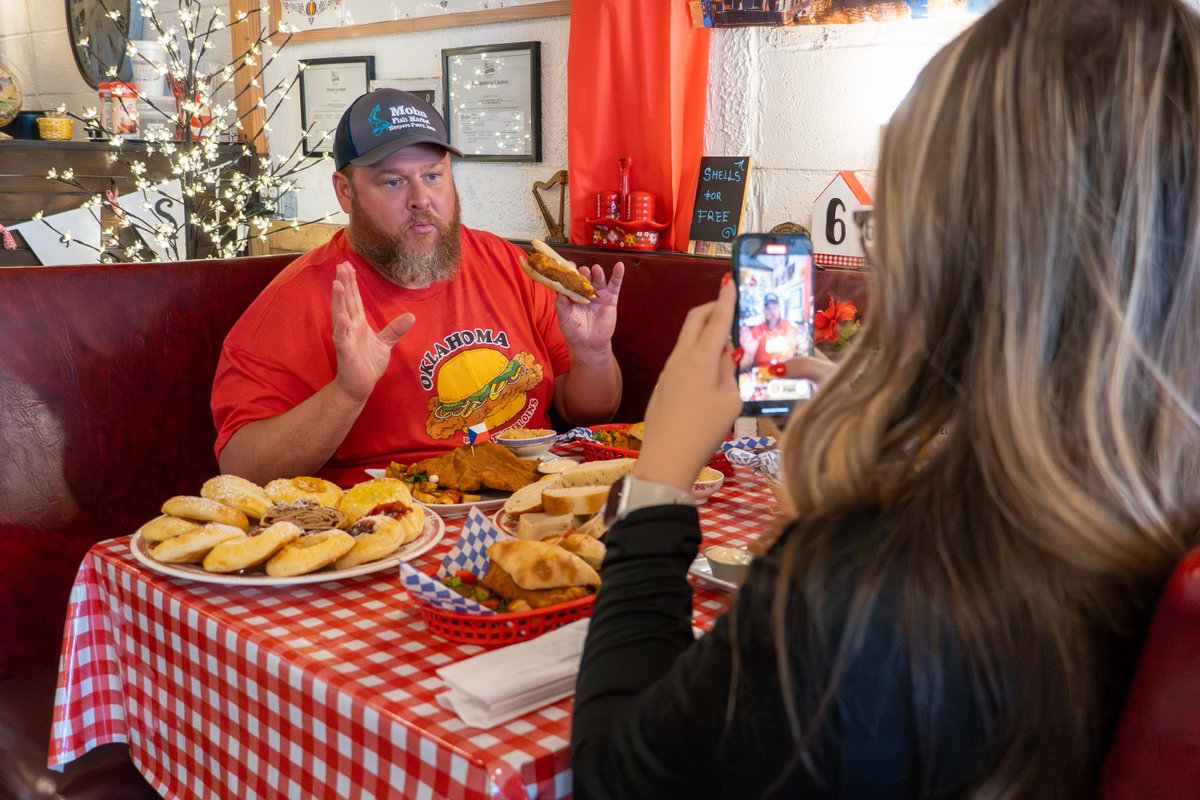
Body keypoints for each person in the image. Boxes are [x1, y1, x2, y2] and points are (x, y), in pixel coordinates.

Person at [571, 0, 1200, 796]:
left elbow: (616, 779)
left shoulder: (864, 594)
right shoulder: (1146, 514)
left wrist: (657, 485)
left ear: (941, 251)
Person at [211, 89, 623, 486]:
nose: (421, 199)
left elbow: (588, 410)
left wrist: (593, 353)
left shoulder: (512, 265)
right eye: (393, 182)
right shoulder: (296, 300)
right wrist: (347, 394)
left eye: (433, 176)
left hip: (523, 493)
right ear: (345, 192)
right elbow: (242, 470)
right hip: (388, 518)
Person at [738, 292, 804, 369]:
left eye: (775, 308)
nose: (772, 312)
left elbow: (800, 348)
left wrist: (801, 347)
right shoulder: (755, 332)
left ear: (779, 308)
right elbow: (742, 366)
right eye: (768, 308)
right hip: (764, 375)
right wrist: (749, 353)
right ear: (764, 311)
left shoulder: (790, 326)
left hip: (789, 372)